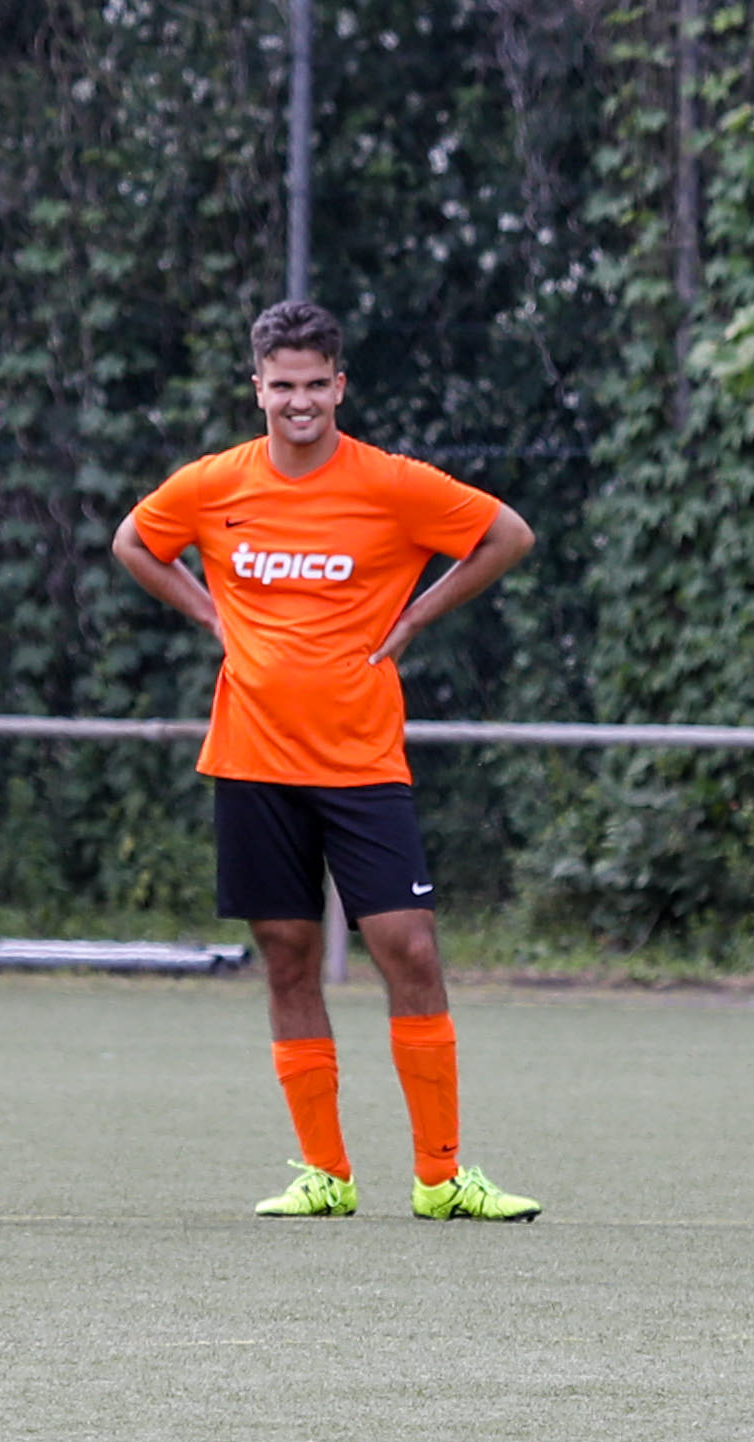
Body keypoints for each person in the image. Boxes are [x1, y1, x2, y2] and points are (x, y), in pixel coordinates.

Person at [105, 299, 543, 1223]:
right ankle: (324, 1174)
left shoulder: (390, 483)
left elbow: (507, 534)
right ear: (256, 388)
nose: (297, 401)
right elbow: (135, 543)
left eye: (313, 385)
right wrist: (209, 614)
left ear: (339, 387)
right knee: (286, 957)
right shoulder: (214, 484)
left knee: (408, 949)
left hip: (362, 762)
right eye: (281, 386)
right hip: (252, 760)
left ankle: (439, 1178)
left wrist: (417, 615)